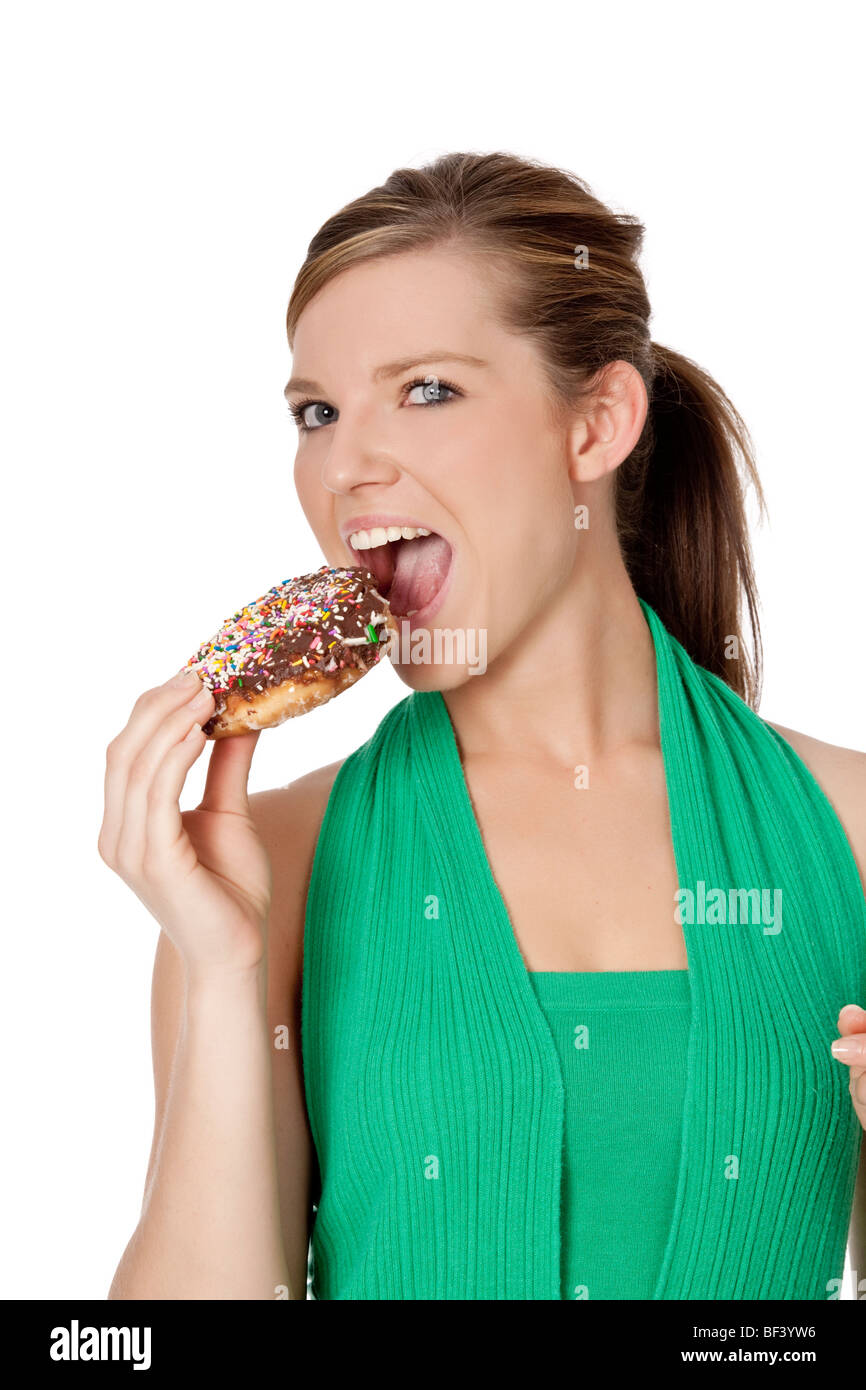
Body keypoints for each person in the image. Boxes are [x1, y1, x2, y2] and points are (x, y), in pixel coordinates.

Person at [99, 152, 866, 1301]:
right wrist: (221, 971)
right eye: (317, 412)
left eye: (426, 390)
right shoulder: (274, 868)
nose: (346, 464)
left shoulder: (845, 830)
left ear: (595, 423)